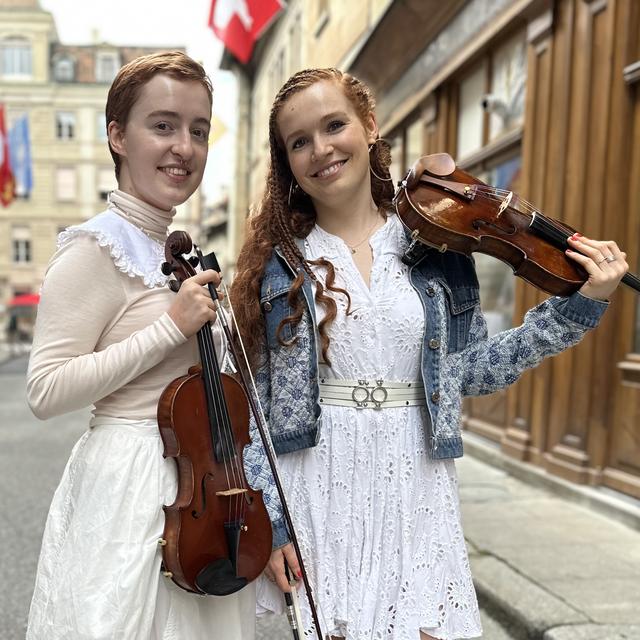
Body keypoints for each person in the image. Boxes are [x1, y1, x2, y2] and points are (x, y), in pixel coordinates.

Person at [232, 68, 629, 640]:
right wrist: (268, 524)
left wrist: (579, 307)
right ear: (288, 162)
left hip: (415, 473)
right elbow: (253, 406)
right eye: (299, 142)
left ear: (369, 127)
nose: (320, 149)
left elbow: (474, 370)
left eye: (334, 125)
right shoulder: (280, 264)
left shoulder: (437, 245)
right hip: (317, 479)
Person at [26, 52, 255, 640]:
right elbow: (46, 391)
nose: (184, 146)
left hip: (200, 492)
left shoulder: (177, 249)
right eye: (163, 125)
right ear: (117, 137)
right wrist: (170, 329)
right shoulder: (94, 249)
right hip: (128, 490)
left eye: (198, 130)